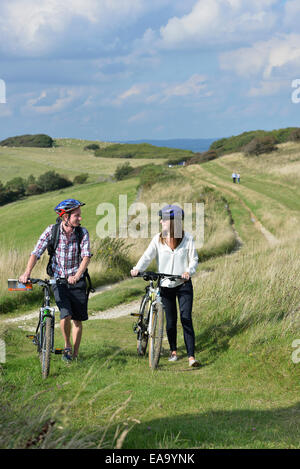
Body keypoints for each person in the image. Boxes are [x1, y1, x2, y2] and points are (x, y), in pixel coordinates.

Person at [19, 199, 92, 363]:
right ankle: (67, 345)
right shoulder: (52, 231)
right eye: (76, 215)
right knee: (65, 314)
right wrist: (26, 273)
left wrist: (78, 275)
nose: (80, 218)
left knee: (77, 320)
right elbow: (36, 252)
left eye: (80, 215)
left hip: (77, 278)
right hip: (58, 279)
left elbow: (86, 256)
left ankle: (75, 354)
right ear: (65, 216)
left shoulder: (82, 232)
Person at [130, 205, 199, 367]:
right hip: (166, 285)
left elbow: (194, 259)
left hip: (183, 284)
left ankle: (191, 357)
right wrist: (138, 268)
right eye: (162, 219)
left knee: (186, 317)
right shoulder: (158, 239)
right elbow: (147, 256)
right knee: (170, 320)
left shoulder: (188, 239)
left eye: (165, 219)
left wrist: (189, 271)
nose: (162, 222)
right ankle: (173, 351)